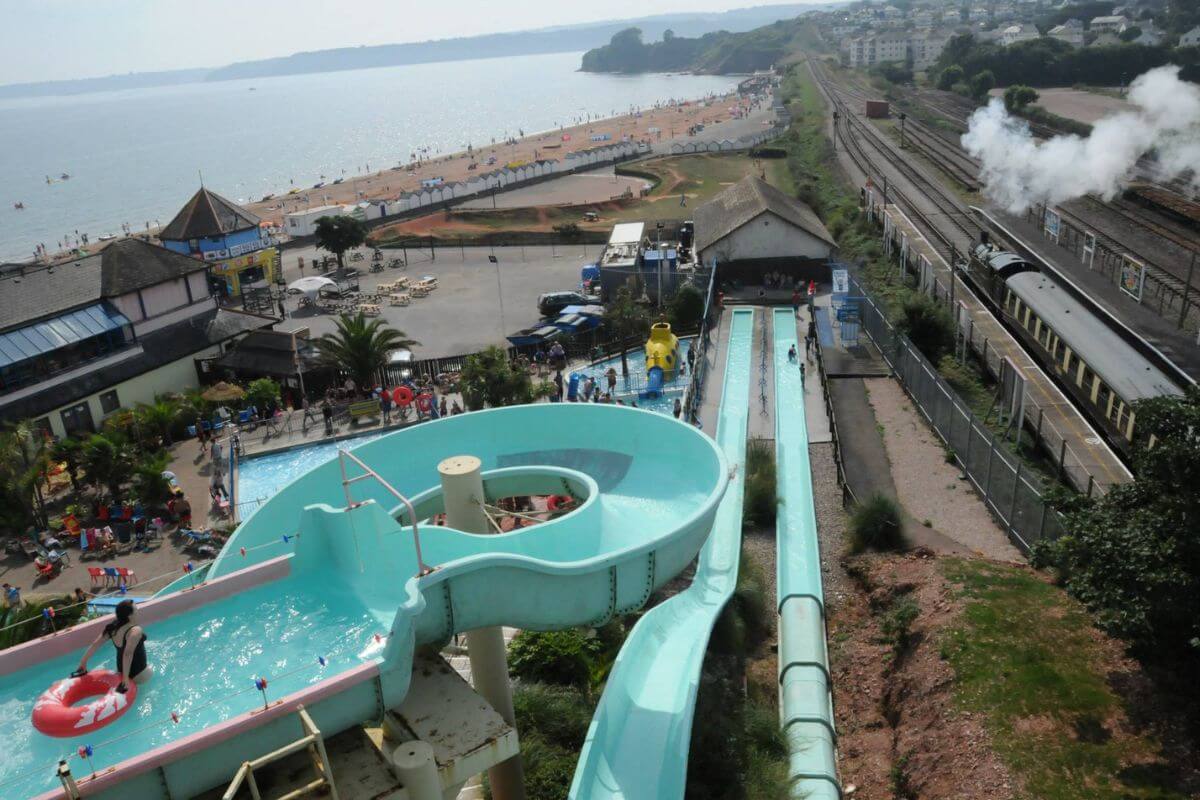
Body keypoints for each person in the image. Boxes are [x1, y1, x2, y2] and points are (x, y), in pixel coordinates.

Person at [74, 600, 151, 692]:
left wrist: (83, 663)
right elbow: (127, 654)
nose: (138, 611)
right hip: (140, 675)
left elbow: (95, 644)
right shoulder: (135, 630)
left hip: (121, 672)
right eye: (136, 610)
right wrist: (125, 679)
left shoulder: (113, 627)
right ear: (129, 615)